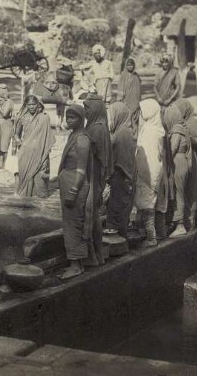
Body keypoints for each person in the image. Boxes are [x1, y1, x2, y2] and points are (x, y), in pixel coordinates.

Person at [58, 105, 92, 279]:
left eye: (73, 118)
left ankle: (76, 265)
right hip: (69, 181)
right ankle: (76, 262)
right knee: (70, 223)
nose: (68, 120)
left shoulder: (82, 140)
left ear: (81, 119)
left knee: (74, 225)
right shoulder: (74, 135)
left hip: (75, 184)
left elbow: (81, 168)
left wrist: (73, 190)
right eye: (67, 117)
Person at [83, 94, 112, 266]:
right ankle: (97, 254)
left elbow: (101, 158)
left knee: (90, 216)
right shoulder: (98, 125)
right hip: (94, 176)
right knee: (93, 217)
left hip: (93, 177)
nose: (85, 112)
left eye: (87, 108)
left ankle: (92, 255)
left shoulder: (97, 129)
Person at [134, 99, 165, 246]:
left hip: (148, 172)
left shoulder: (151, 132)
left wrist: (147, 177)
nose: (140, 113)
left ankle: (151, 238)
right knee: (144, 203)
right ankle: (143, 233)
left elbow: (150, 157)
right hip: (145, 171)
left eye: (142, 110)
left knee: (147, 205)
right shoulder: (152, 127)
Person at [174, 98, 197, 228]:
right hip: (186, 157)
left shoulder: (192, 122)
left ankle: (191, 220)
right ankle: (185, 220)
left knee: (192, 191)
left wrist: (186, 136)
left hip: (193, 158)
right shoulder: (180, 121)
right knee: (184, 190)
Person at [106, 102, 136, 241]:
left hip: (121, 177)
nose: (110, 120)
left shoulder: (121, 135)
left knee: (116, 213)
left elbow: (117, 160)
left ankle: (118, 248)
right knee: (121, 214)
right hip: (125, 178)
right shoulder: (126, 131)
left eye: (112, 116)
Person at [14, 95, 55, 198]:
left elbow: (48, 135)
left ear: (38, 104)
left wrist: (46, 148)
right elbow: (16, 134)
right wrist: (19, 142)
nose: (31, 107)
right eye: (29, 104)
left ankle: (39, 194)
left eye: (33, 104)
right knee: (24, 173)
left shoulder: (44, 117)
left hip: (40, 150)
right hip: (26, 151)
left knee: (40, 174)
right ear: (25, 105)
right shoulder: (22, 117)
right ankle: (26, 194)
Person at [163, 106, 192, 237]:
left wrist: (163, 159)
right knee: (180, 192)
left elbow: (172, 149)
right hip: (182, 161)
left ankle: (180, 225)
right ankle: (180, 221)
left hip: (178, 163)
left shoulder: (176, 131)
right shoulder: (183, 128)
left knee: (178, 193)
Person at [116, 57, 142, 135]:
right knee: (127, 120)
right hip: (126, 101)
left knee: (135, 120)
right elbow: (120, 89)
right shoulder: (123, 76)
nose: (130, 67)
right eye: (128, 65)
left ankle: (135, 135)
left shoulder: (136, 76)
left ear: (134, 66)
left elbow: (139, 89)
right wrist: (120, 100)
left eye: (131, 65)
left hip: (135, 102)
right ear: (126, 66)